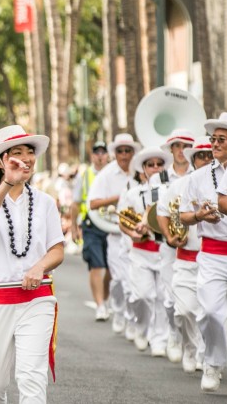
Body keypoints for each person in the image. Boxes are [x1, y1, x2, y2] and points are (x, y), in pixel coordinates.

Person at [0, 125, 63, 404]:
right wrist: (7, 183)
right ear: (0, 161)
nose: (26, 158)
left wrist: (39, 268)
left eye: (30, 152)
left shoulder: (45, 202)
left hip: (36, 300)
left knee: (31, 378)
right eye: (17, 152)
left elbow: (57, 250)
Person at [180, 112, 227, 395]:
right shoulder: (198, 177)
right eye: (213, 138)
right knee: (210, 311)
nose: (215, 143)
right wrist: (198, 215)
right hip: (212, 254)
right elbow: (183, 216)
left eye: (222, 139)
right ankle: (212, 362)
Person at [157, 136, 210, 373]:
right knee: (185, 309)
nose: (206, 159)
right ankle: (189, 346)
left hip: (213, 258)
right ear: (194, 160)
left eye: (210, 155)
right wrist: (169, 236)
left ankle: (206, 355)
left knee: (210, 312)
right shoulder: (179, 185)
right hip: (186, 258)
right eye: (201, 156)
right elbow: (161, 212)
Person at [116, 146, 172, 356]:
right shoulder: (132, 193)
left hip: (165, 250)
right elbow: (122, 220)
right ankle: (141, 327)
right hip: (140, 251)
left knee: (161, 297)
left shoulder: (172, 190)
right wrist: (132, 233)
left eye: (159, 164)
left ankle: (159, 339)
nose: (156, 168)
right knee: (142, 295)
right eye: (151, 164)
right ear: (144, 169)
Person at [87, 132, 141, 335]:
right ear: (115, 153)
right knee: (118, 279)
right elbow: (92, 203)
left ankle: (133, 319)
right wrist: (118, 198)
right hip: (116, 233)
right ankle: (118, 312)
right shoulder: (106, 175)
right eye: (120, 151)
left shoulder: (140, 171)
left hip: (138, 234)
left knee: (134, 280)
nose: (124, 155)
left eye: (128, 150)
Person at [72, 141, 111, 320]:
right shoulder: (85, 175)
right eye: (97, 152)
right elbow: (75, 202)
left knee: (112, 267)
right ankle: (100, 305)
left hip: (112, 224)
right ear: (92, 156)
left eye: (104, 152)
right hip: (91, 225)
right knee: (97, 265)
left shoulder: (114, 173)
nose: (100, 156)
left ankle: (105, 298)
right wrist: (73, 227)